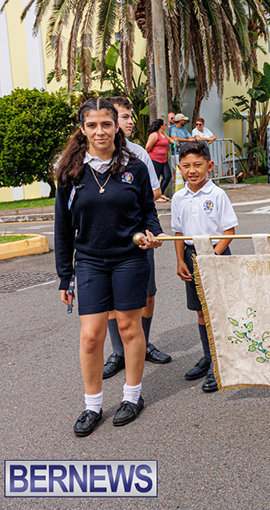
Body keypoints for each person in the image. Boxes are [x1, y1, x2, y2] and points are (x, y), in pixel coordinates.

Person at [55, 98, 164, 437]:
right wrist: (64, 276)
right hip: (89, 261)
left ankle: (132, 397)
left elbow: (149, 212)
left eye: (106, 124)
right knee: (91, 337)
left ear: (117, 126)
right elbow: (62, 227)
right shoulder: (71, 171)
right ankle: (93, 405)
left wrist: (153, 234)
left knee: (131, 330)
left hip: (129, 259)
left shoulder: (136, 166)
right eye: (92, 125)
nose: (99, 131)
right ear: (83, 128)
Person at [100, 97, 171, 382]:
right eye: (125, 117)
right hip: (106, 242)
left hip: (139, 236)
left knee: (147, 293)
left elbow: (153, 193)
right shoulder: (93, 154)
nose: (130, 122)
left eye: (129, 117)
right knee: (110, 302)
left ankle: (142, 344)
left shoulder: (138, 153)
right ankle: (118, 352)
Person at [171, 141, 238, 393]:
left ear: (209, 166)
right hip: (191, 255)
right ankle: (208, 356)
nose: (192, 170)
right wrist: (180, 260)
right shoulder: (179, 197)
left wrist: (210, 257)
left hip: (216, 255)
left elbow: (229, 232)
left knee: (218, 310)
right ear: (179, 168)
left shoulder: (217, 195)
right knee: (201, 311)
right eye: (186, 166)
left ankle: (220, 363)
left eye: (198, 165)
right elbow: (178, 232)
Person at [145, 119, 173, 202]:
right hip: (154, 159)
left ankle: (160, 194)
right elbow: (147, 147)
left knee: (167, 176)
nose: (166, 126)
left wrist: (175, 142)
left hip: (163, 160)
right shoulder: (154, 135)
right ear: (161, 126)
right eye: (165, 124)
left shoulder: (163, 134)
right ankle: (155, 197)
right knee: (155, 178)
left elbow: (170, 140)